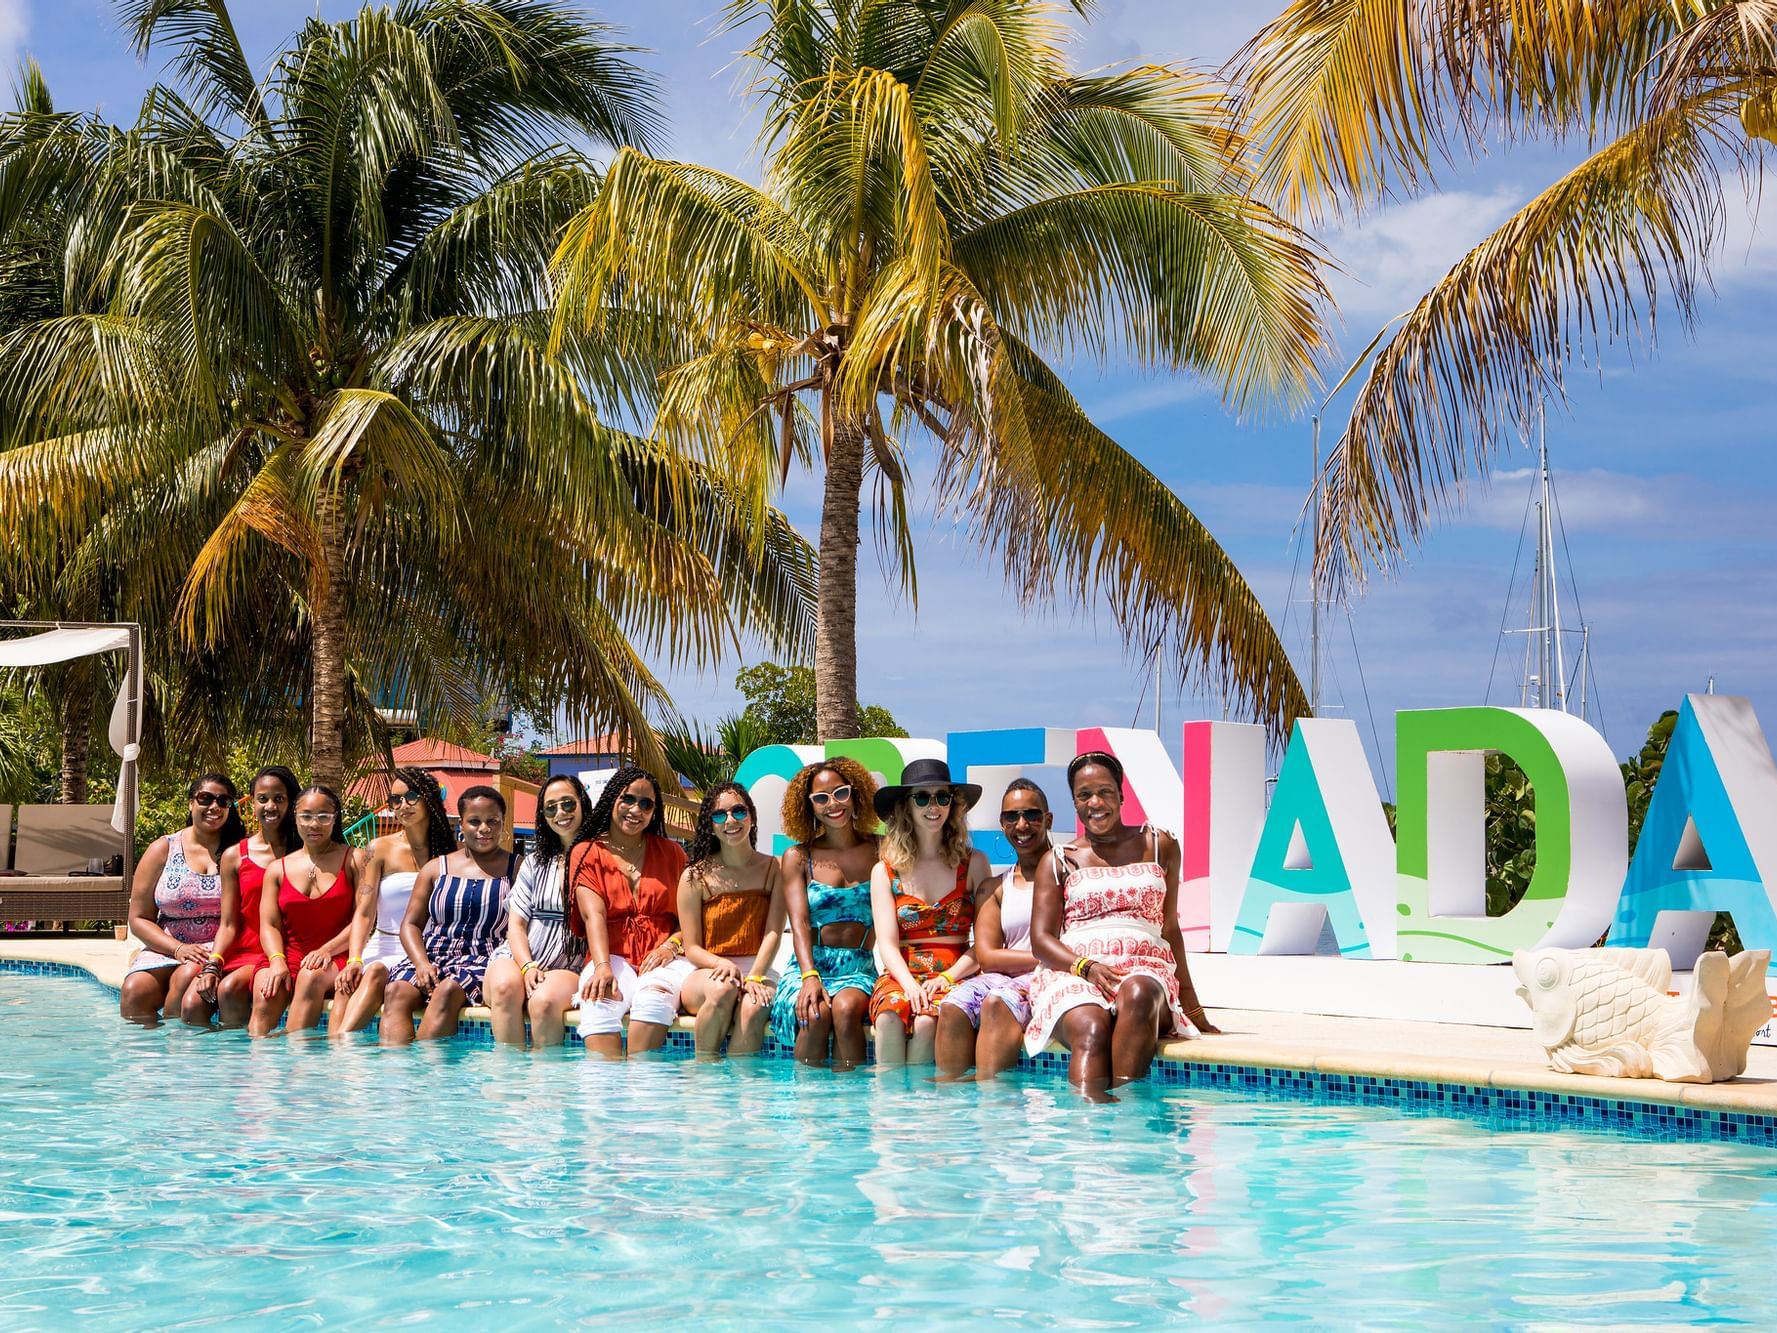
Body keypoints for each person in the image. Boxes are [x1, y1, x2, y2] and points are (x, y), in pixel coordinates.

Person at [1026, 751, 1220, 1098]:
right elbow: (1041, 940)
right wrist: (1085, 967)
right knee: (1091, 1030)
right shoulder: (1058, 859)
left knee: (1139, 992)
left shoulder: (1160, 845)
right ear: (1074, 801)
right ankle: (1089, 1132)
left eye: (1105, 791)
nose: (1095, 802)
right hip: (1076, 972)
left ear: (1122, 795)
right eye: (1084, 795)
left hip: (1146, 969)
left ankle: (1128, 1125)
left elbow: (1170, 927)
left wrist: (1191, 1005)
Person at [634, 782, 785, 1056]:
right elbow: (692, 948)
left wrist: (755, 977)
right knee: (724, 988)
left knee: (755, 1005)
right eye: (719, 815)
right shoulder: (694, 876)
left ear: (751, 815)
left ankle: (742, 1090)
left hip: (758, 967)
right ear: (711, 825)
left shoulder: (774, 868)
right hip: (708, 971)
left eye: (738, 811)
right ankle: (705, 1078)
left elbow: (774, 932)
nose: (730, 820)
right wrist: (722, 964)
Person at [868, 758, 993, 1072]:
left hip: (956, 972)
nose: (933, 805)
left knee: (926, 1023)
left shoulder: (975, 863)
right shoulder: (884, 871)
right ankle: (890, 1112)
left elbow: (986, 942)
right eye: (922, 797)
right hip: (902, 973)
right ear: (906, 806)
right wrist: (909, 986)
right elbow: (886, 943)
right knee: (889, 1016)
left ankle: (926, 1117)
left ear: (953, 804)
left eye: (942, 797)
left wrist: (946, 978)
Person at [769, 758, 882, 1068]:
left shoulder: (881, 850)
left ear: (855, 794)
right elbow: (800, 923)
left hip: (857, 965)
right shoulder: (797, 857)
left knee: (845, 1010)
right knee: (815, 1014)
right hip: (810, 964)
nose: (833, 804)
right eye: (821, 798)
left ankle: (849, 1109)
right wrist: (809, 977)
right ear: (810, 807)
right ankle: (808, 1108)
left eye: (840, 793)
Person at [381, 785, 515, 1045]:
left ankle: (427, 1075)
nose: (484, 828)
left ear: (502, 823)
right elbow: (410, 924)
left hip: (484, 957)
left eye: (492, 821)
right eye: (474, 821)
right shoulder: (436, 868)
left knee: (448, 990)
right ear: (462, 825)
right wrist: (421, 963)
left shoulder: (517, 869)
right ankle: (394, 1075)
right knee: (396, 991)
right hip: (430, 956)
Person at [331, 768, 458, 1039]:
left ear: (429, 799)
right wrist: (354, 959)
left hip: (428, 950)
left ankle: (341, 1048)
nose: (402, 806)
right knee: (360, 976)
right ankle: (339, 1051)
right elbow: (364, 914)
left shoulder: (452, 851)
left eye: (411, 797)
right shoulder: (378, 849)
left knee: (378, 974)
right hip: (383, 944)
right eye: (395, 801)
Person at [571, 765, 686, 1057]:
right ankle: (602, 1093)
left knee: (653, 1002)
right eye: (628, 799)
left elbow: (693, 920)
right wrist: (601, 967)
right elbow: (592, 915)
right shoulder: (586, 852)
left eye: (646, 804)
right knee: (598, 1002)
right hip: (609, 956)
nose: (636, 809)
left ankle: (644, 1095)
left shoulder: (673, 854)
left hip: (665, 959)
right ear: (612, 799)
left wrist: (670, 947)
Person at [941, 778, 1050, 1078]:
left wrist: (1053, 963)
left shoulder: (1067, 875)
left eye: (1032, 815)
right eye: (1011, 817)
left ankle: (993, 1111)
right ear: (1002, 825)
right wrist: (1045, 956)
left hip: (1050, 976)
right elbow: (987, 957)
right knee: (952, 1004)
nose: (1022, 824)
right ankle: (945, 1110)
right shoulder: (995, 888)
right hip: (1009, 974)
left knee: (997, 1002)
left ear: (1048, 819)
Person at [120, 773, 247, 1024]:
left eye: (223, 801)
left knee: (187, 976)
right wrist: (177, 949)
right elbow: (137, 918)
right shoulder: (163, 848)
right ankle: (145, 1058)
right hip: (168, 946)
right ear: (191, 803)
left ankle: (180, 1055)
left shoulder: (240, 851)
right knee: (135, 991)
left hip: (219, 945)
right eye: (205, 798)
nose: (214, 807)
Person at [484, 774, 594, 1048]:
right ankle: (509, 1079)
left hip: (567, 962)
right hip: (520, 955)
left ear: (582, 804)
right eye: (550, 807)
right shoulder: (534, 863)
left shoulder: (598, 859)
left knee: (543, 1003)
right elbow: (516, 925)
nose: (560, 813)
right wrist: (527, 965)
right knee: (504, 987)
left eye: (568, 804)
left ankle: (545, 1085)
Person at [250, 785, 361, 1036]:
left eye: (323, 816)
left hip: (338, 954)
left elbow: (365, 919)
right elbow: (268, 925)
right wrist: (276, 961)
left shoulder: (355, 859)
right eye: (306, 816)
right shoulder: (277, 869)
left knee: (310, 976)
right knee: (265, 990)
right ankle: (260, 1067)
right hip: (289, 954)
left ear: (335, 818)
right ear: (295, 818)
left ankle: (299, 1066)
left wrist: (327, 950)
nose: (314, 824)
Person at [196, 766, 299, 1028]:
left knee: (229, 989)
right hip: (245, 950)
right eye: (262, 799)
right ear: (251, 802)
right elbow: (229, 923)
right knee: (192, 1005)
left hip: (287, 949)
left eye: (279, 798)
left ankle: (242, 1062)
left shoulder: (304, 850)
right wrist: (213, 964)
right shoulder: (234, 856)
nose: (270, 806)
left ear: (291, 802)